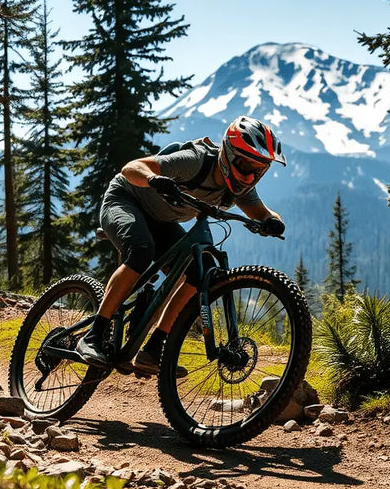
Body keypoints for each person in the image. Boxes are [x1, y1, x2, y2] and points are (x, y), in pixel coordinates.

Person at [76, 115, 287, 374]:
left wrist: (273, 222)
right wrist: (153, 179)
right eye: (246, 166)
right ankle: (93, 335)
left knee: (201, 272)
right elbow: (131, 168)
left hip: (161, 219)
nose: (250, 176)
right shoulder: (195, 161)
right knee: (141, 251)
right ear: (229, 155)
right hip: (125, 199)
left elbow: (262, 211)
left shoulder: (241, 188)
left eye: (259, 170)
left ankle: (154, 348)